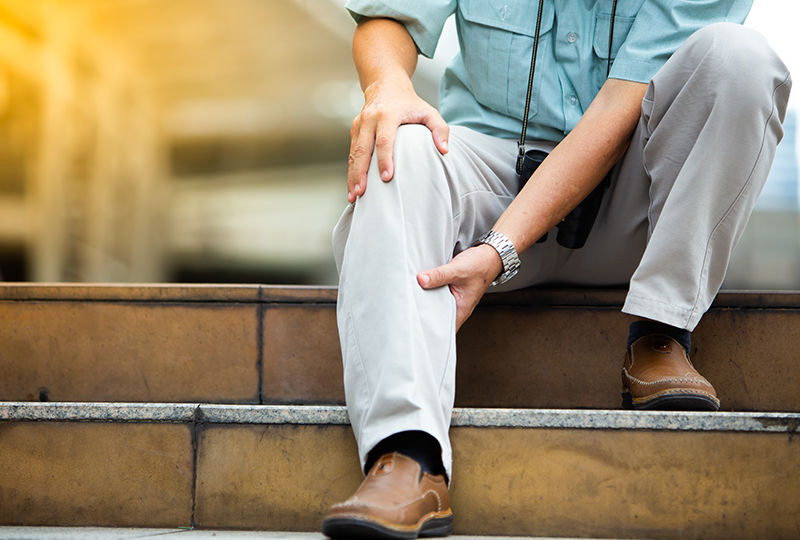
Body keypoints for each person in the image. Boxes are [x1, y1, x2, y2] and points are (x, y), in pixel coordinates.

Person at [322, 1, 792, 538]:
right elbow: (392, 17)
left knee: (743, 59)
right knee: (398, 145)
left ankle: (662, 333)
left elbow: (620, 106)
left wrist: (502, 248)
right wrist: (388, 87)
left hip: (634, 204)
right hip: (491, 177)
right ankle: (407, 457)